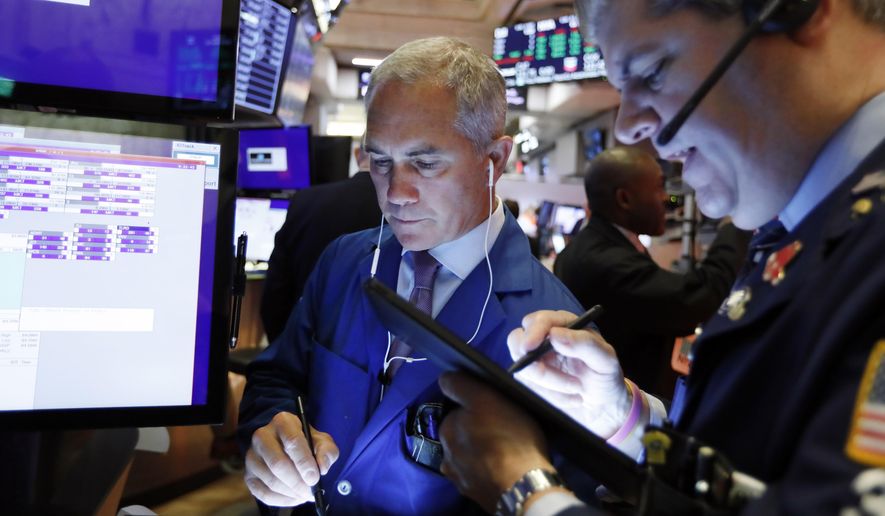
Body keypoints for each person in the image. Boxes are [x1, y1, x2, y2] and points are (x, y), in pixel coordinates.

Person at [438, 0, 885, 514]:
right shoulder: (808, 227)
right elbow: (754, 475)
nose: (627, 126)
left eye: (651, 71)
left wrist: (527, 491)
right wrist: (623, 421)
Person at [237, 36, 584, 515]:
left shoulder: (554, 328)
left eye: (424, 162)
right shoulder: (344, 260)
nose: (396, 193)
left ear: (495, 161)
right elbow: (276, 375)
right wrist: (271, 430)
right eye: (381, 161)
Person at [554, 147, 749, 397]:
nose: (666, 198)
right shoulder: (603, 262)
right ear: (625, 199)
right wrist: (735, 223)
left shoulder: (591, 247)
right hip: (625, 409)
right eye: (659, 187)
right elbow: (700, 298)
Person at [260, 144, 382, 342]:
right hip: (362, 359)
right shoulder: (401, 210)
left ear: (357, 154)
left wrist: (284, 352)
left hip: (300, 344)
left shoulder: (305, 200)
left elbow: (275, 293)